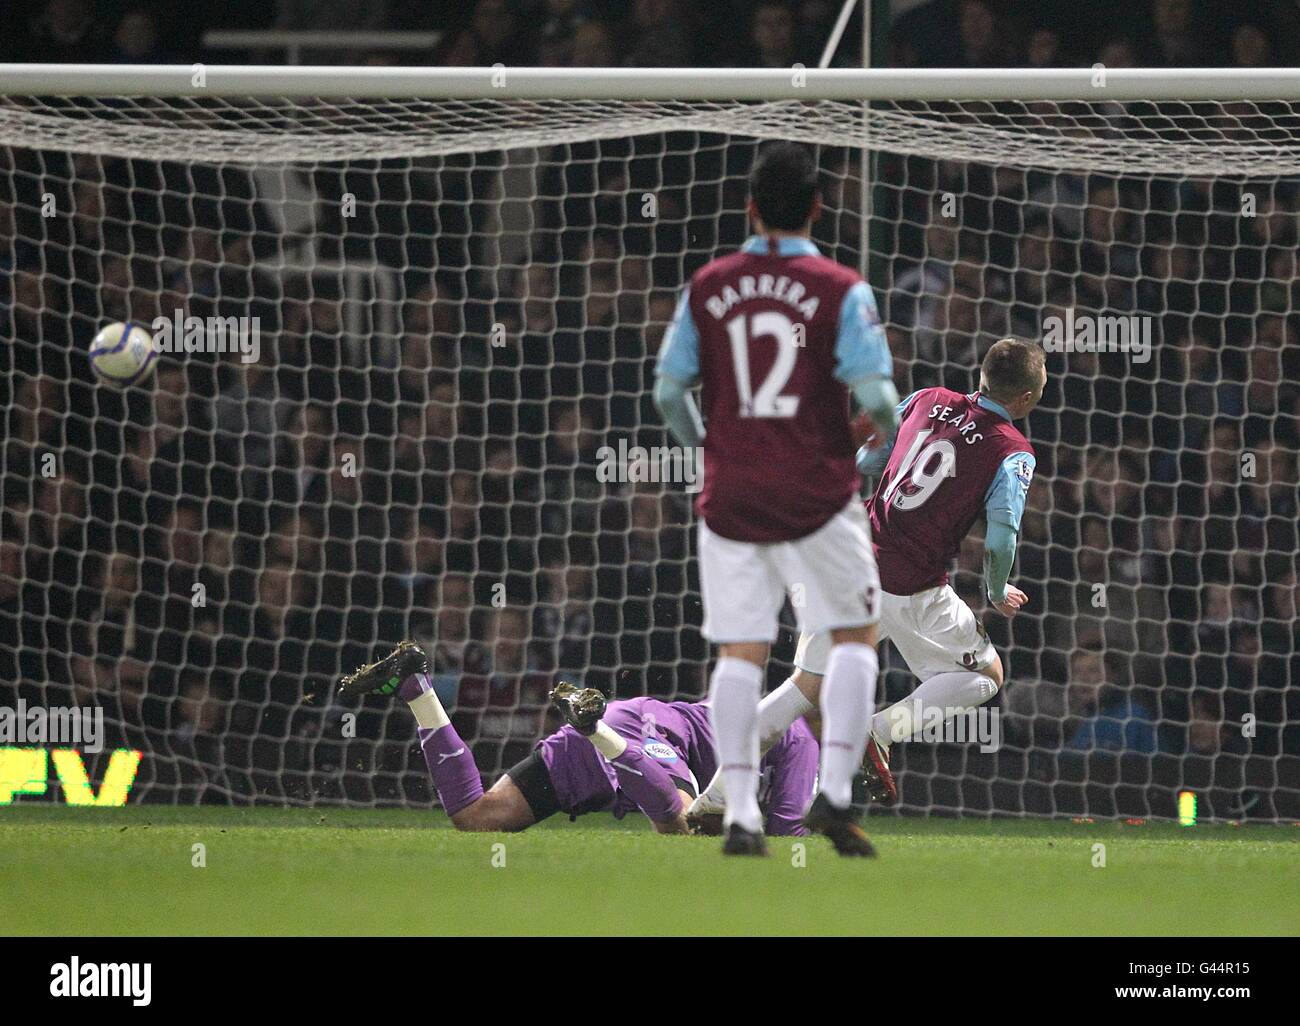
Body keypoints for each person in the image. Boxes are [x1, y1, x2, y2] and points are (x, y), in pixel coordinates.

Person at [654, 142, 899, 856]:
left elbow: (668, 390)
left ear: (750, 206)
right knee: (854, 634)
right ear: (819, 207)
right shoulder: (841, 287)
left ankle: (740, 819)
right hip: (819, 494)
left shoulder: (708, 285)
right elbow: (880, 395)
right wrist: (881, 435)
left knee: (741, 652)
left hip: (732, 495)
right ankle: (838, 795)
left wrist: (706, 446)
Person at [690, 337, 1044, 815]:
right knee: (986, 674)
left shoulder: (927, 398)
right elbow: (1002, 539)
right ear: (1025, 398)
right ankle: (879, 731)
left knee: (803, 688)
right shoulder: (1013, 451)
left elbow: (868, 460)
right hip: (912, 584)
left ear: (982, 375)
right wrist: (997, 590)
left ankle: (712, 802)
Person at [337, 642, 819, 836]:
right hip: (651, 734)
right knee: (678, 822)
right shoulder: (801, 736)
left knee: (476, 817)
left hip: (627, 724)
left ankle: (414, 687)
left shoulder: (784, 716)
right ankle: (596, 729)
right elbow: (788, 831)